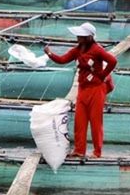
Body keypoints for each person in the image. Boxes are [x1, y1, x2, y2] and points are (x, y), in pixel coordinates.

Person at [43, 22, 117, 159]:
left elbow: (112, 61)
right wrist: (49, 53)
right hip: (83, 89)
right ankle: (79, 150)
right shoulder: (77, 49)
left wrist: (102, 75)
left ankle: (97, 152)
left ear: (89, 37)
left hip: (96, 89)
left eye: (81, 35)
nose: (78, 37)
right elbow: (62, 59)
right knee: (80, 121)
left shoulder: (97, 50)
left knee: (95, 121)